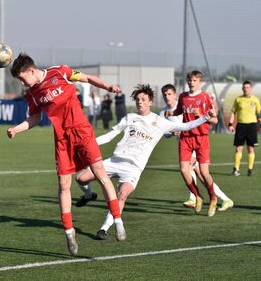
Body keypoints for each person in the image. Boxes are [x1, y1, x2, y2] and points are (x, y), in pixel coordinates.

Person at [7, 53, 124, 256]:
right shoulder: (33, 94)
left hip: (82, 132)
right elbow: (34, 117)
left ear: (31, 71)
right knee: (63, 184)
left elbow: (87, 78)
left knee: (100, 173)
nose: (22, 83)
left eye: (22, 78)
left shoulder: (59, 71)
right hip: (62, 141)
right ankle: (69, 232)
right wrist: (17, 129)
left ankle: (118, 220)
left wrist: (108, 87)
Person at [75, 84, 215, 240]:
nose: (139, 102)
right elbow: (109, 136)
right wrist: (87, 145)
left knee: (121, 196)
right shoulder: (129, 118)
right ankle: (88, 195)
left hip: (133, 169)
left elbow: (185, 126)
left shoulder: (159, 121)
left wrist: (205, 117)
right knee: (80, 178)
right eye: (137, 99)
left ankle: (103, 229)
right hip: (114, 161)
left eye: (143, 99)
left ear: (150, 102)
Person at [160, 84, 233, 212]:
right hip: (183, 143)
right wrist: (171, 133)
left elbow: (204, 118)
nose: (167, 97)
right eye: (164, 94)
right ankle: (220, 198)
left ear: (175, 95)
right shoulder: (163, 113)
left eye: (169, 94)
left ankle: (197, 198)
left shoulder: (185, 102)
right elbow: (163, 133)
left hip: (195, 142)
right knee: (197, 173)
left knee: (196, 171)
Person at [171, 71, 219, 217]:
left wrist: (202, 116)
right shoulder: (183, 97)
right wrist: (168, 115)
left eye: (195, 80)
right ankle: (198, 196)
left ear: (200, 82)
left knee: (204, 173)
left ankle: (213, 198)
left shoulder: (205, 97)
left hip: (201, 138)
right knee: (184, 170)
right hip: (186, 138)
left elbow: (215, 120)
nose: (192, 82)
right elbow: (178, 112)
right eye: (190, 80)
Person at [228, 80, 261, 176]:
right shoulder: (238, 99)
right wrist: (230, 124)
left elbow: (259, 114)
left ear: (251, 89)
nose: (246, 89)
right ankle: (236, 169)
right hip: (241, 126)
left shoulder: (255, 100)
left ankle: (250, 170)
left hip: (252, 126)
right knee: (238, 148)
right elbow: (233, 112)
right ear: (242, 89)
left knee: (251, 149)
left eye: (248, 87)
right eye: (244, 87)